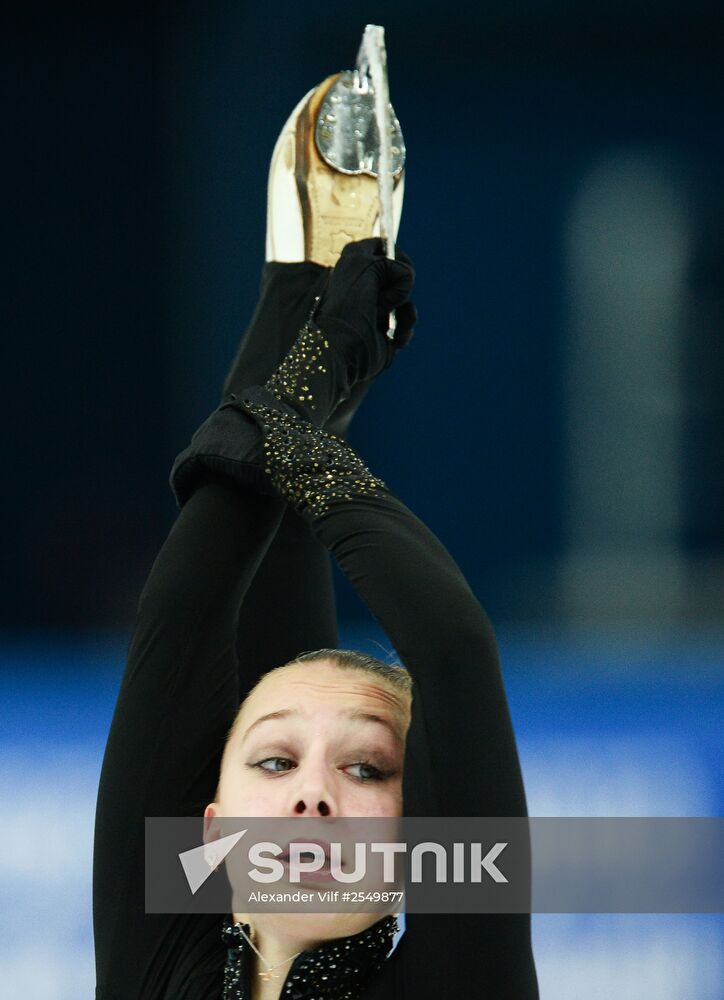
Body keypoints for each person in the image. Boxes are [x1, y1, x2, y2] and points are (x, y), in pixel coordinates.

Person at [93, 71, 539, 1000]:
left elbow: (450, 652)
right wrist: (304, 397)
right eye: (274, 759)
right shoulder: (161, 958)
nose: (311, 798)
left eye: (370, 766)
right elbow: (191, 622)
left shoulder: (462, 978)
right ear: (211, 835)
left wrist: (301, 381)